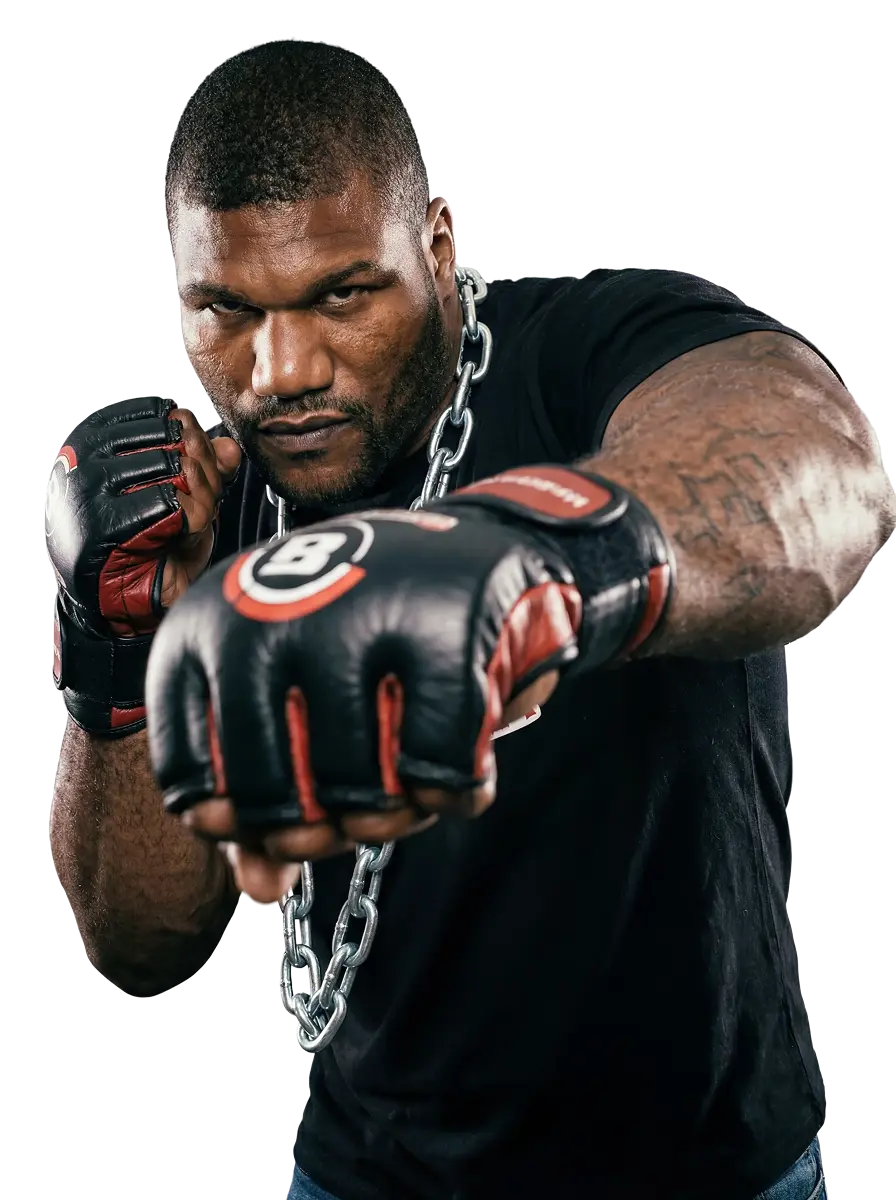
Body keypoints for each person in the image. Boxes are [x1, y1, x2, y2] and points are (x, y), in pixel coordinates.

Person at [46, 39, 890, 1200]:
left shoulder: (593, 346)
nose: (281, 371)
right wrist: (115, 648)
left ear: (435, 245)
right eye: (226, 310)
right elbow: (139, 947)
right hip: (365, 1173)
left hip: (700, 1165)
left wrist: (533, 557)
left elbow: (813, 463)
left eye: (341, 295)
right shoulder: (212, 485)